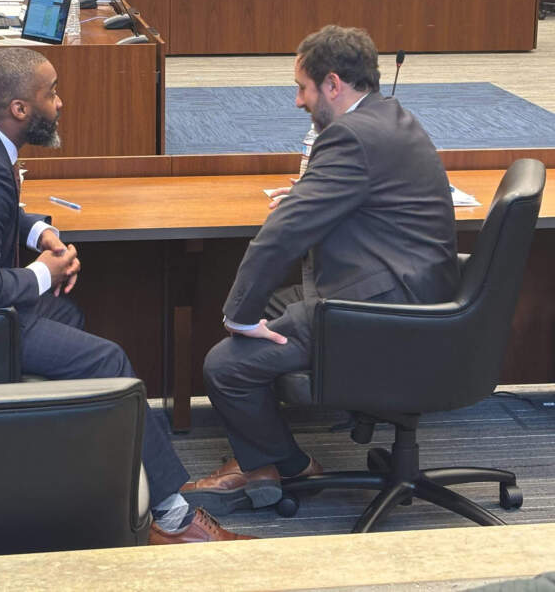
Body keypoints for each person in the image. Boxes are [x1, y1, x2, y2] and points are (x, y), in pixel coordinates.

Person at [0, 46, 254, 545]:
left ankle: (78, 475)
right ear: (20, 110)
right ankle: (173, 519)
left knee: (65, 313)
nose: (61, 103)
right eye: (51, 93)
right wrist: (44, 274)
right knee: (110, 363)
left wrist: (36, 235)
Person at [182, 25, 459, 515]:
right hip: (417, 292)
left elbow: (283, 235)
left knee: (226, 364)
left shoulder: (349, 136)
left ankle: (286, 464)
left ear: (333, 85)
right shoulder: (390, 115)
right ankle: (260, 455)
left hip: (378, 309)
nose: (297, 101)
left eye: (302, 88)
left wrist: (237, 316)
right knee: (271, 307)